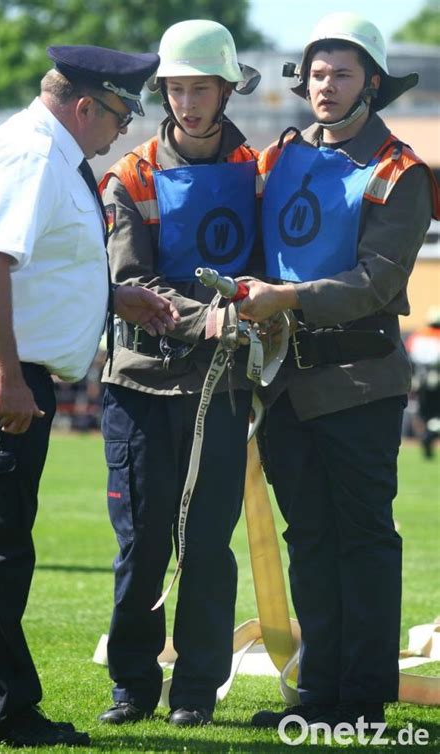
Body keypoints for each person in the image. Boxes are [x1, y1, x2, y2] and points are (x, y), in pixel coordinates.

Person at [0, 43, 179, 747]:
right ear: (86, 104)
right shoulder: (32, 154)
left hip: (7, 375)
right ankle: (2, 714)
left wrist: (113, 296)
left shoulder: (50, 152)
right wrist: (6, 374)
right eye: (121, 112)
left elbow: (38, 266)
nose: (124, 128)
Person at [238, 12, 439, 731]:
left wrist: (286, 297)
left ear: (373, 84)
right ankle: (319, 692)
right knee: (310, 539)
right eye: (317, 73)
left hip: (359, 383)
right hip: (284, 381)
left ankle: (363, 699)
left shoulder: (400, 170)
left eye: (342, 73)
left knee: (363, 540)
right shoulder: (276, 157)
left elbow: (379, 281)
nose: (324, 85)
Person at [98, 19, 261, 727]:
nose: (188, 102)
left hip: (222, 390)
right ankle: (131, 687)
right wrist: (208, 319)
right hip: (137, 385)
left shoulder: (265, 173)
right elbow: (130, 280)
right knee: (142, 543)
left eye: (201, 87)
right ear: (161, 91)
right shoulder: (129, 174)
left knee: (206, 548)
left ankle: (195, 690)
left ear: (227, 89)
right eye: (176, 88)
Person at [405, 308, 440, 459]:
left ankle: (427, 436)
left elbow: (408, 356)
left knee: (423, 414)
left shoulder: (417, 336)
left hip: (420, 382)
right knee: (436, 415)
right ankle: (430, 436)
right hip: (437, 382)